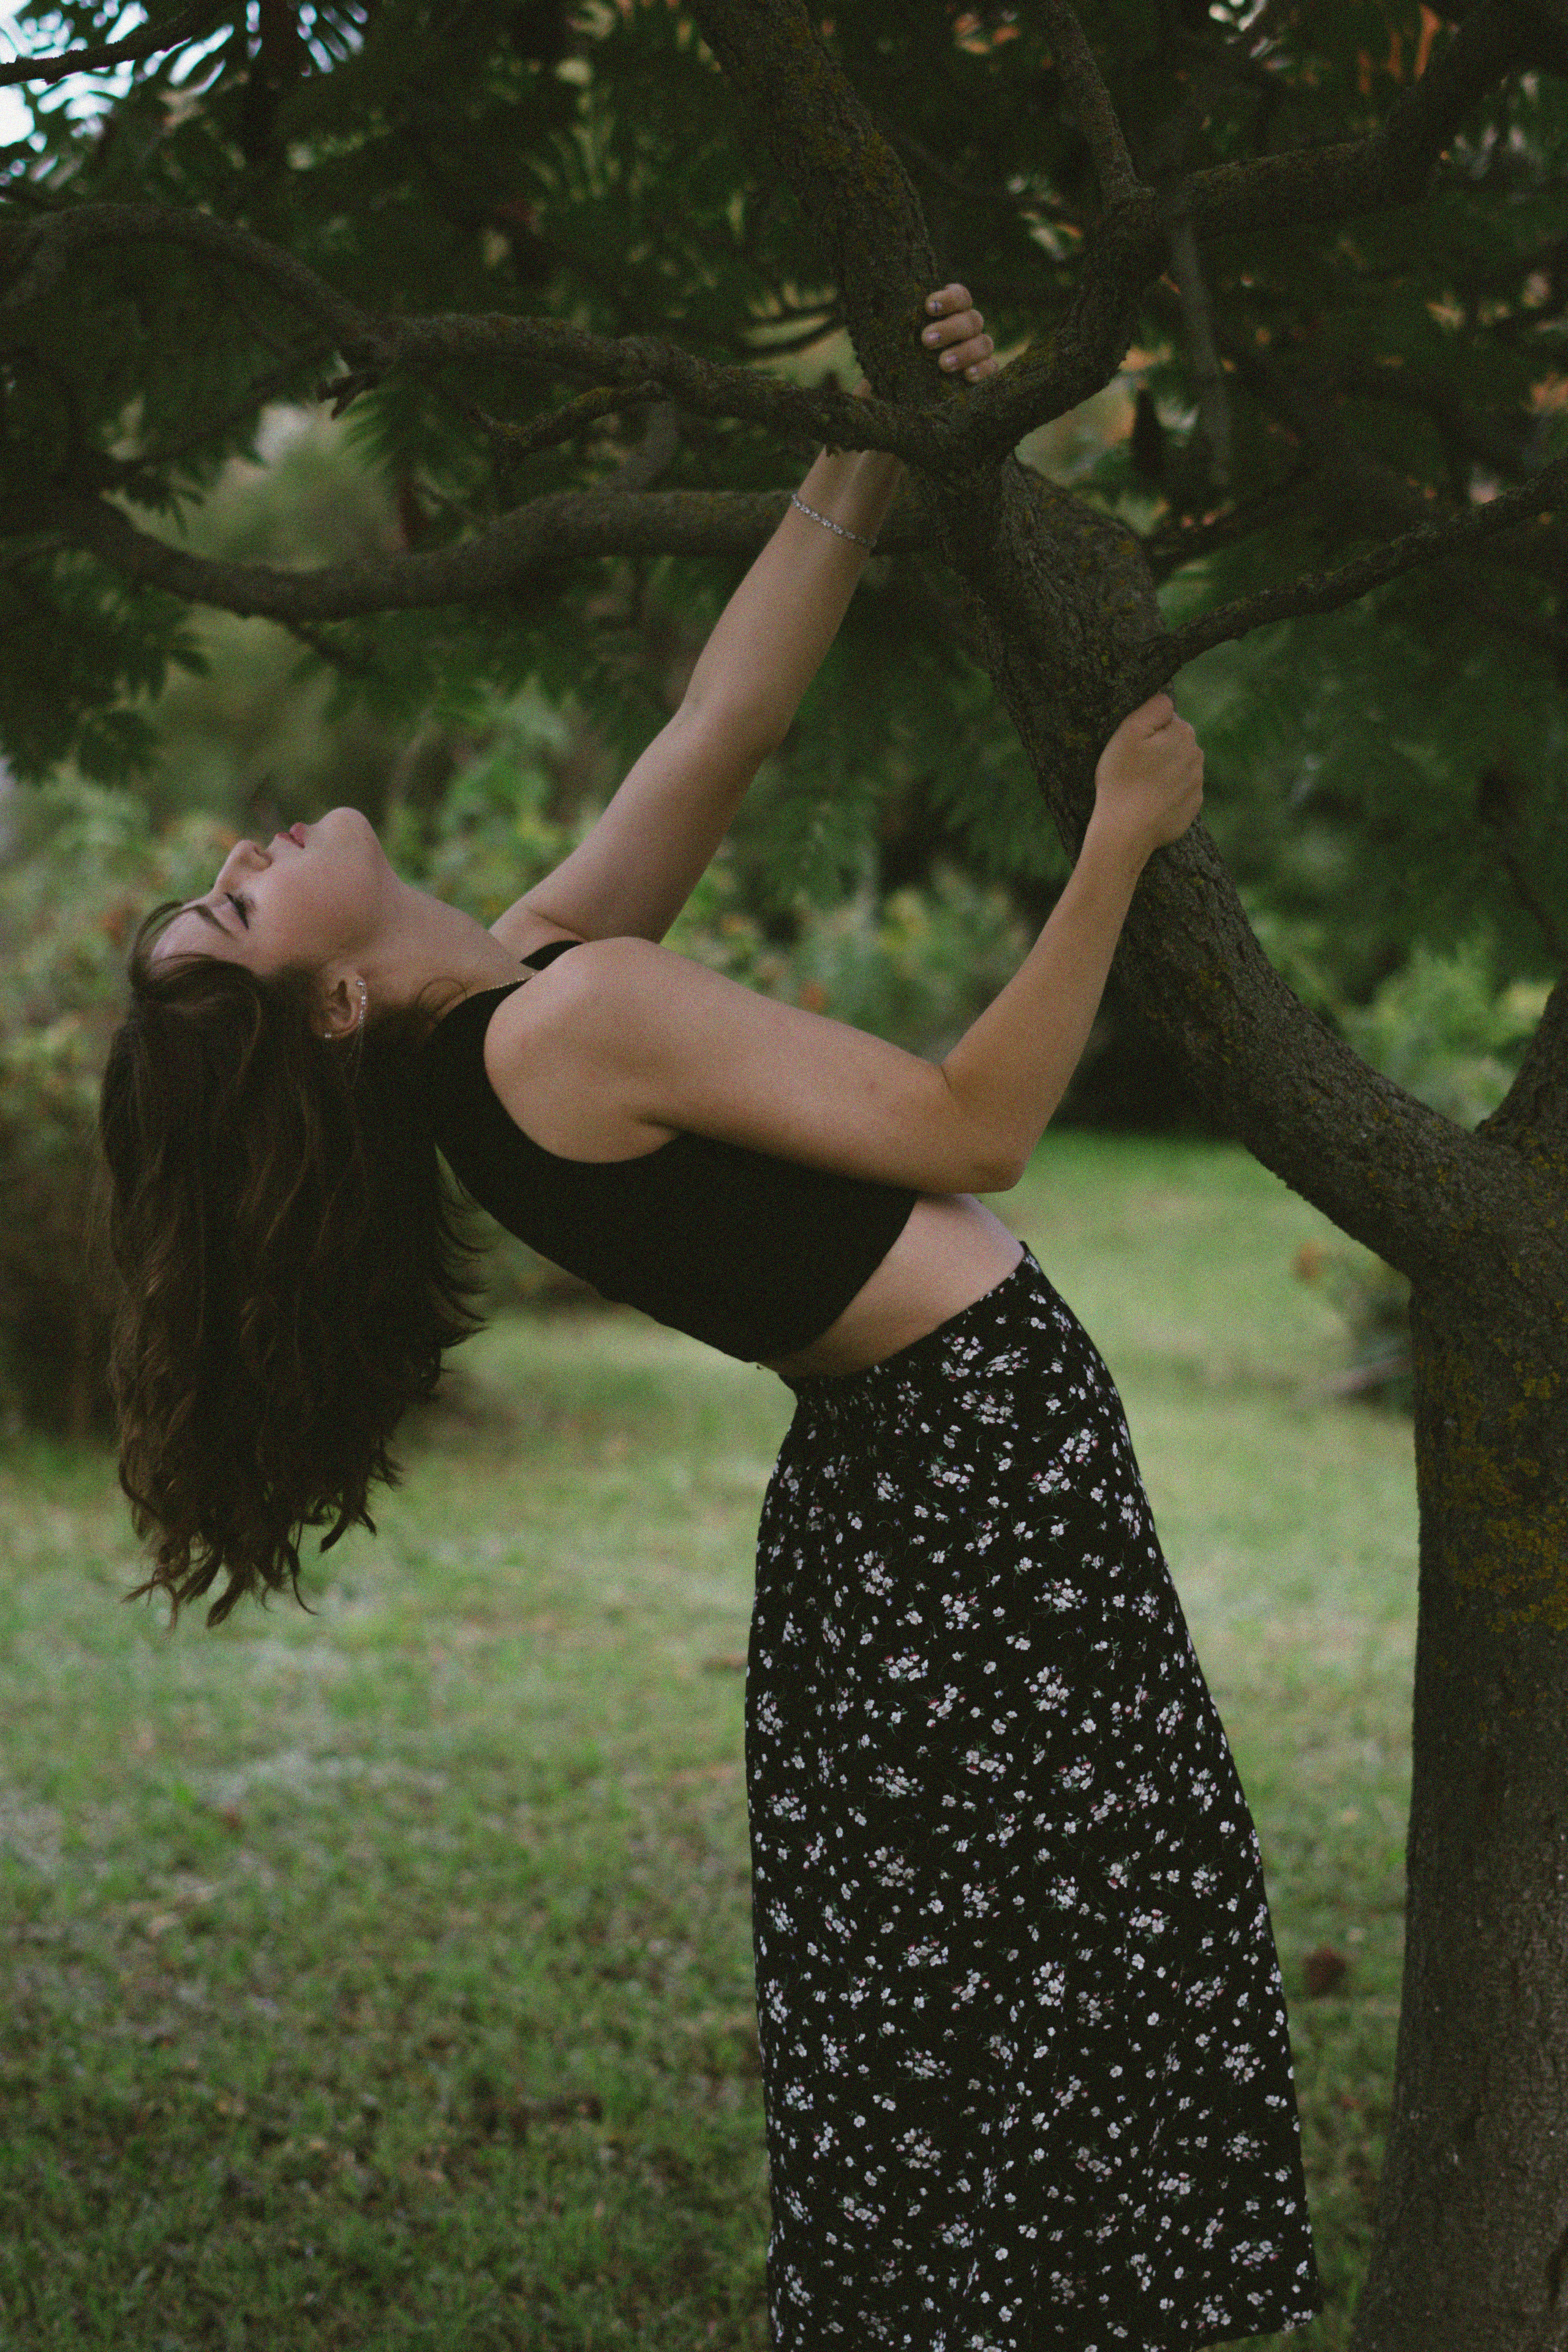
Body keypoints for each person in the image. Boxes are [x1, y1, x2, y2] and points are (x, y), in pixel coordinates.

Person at [99, 283, 1322, 2351]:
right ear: (324, 1001)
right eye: (233, 904)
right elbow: (980, 1125)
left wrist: (879, 431)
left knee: (977, 2017)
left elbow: (718, 727)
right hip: (969, 1477)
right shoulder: (561, 1024)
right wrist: (1116, 843)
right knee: (1066, 1988)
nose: (244, 850)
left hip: (892, 1497)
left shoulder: (520, 1009)